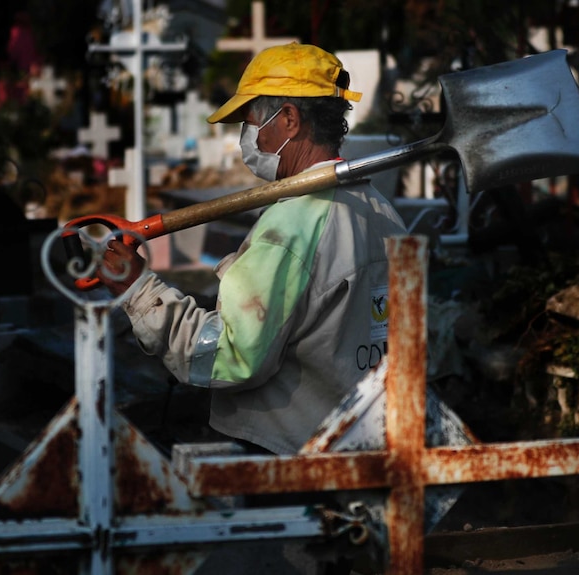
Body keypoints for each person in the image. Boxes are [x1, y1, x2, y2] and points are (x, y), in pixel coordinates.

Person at [99, 42, 407, 456]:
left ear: (290, 120)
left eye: (250, 123)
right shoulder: (381, 211)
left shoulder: (293, 224)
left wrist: (139, 292)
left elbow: (227, 358)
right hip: (374, 446)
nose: (247, 139)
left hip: (296, 458)